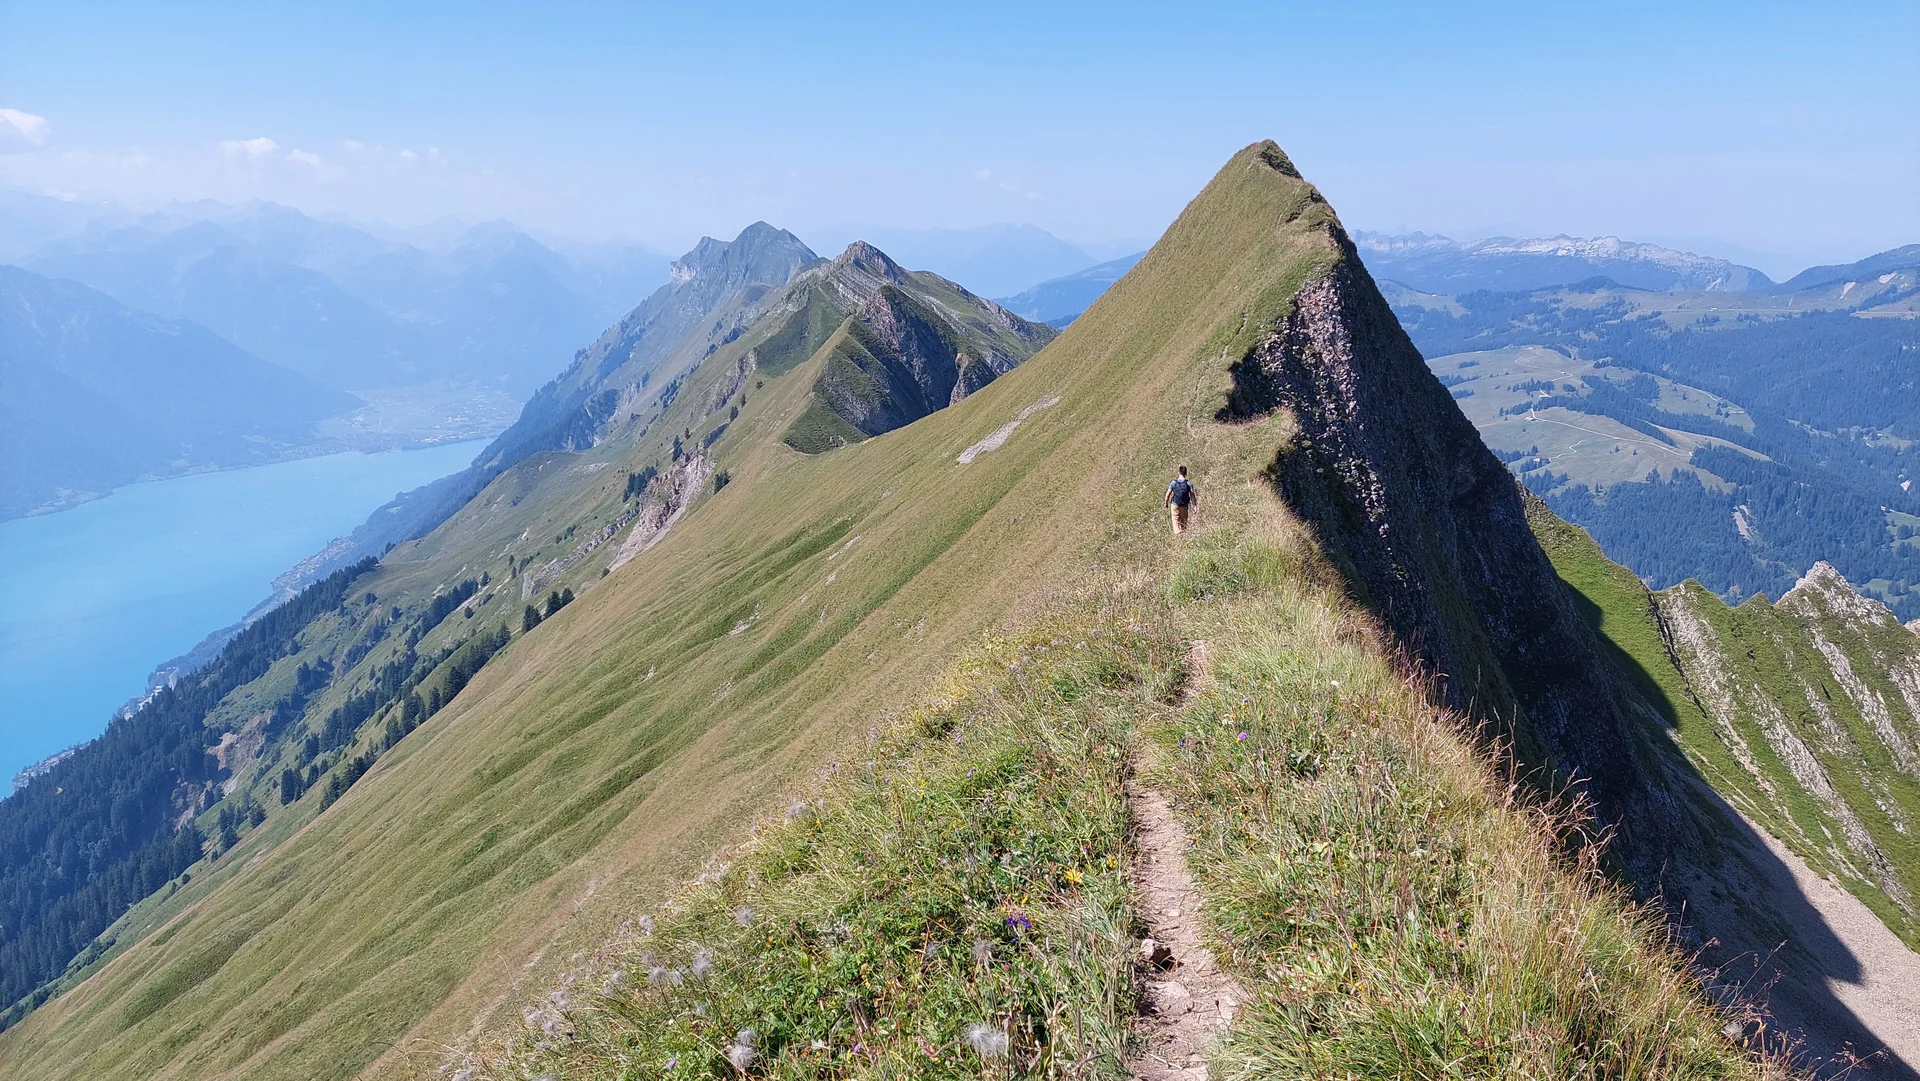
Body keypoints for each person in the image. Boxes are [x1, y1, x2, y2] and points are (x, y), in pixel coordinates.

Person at [1164, 466, 1196, 535]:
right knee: (1184, 521)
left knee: (1176, 520)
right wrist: (1195, 506)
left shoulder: (1173, 483)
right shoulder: (1189, 484)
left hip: (1175, 504)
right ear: (1186, 473)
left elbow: (1168, 494)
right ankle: (1184, 533)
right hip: (1184, 506)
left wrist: (1166, 503)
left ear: (1178, 473)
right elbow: (1192, 496)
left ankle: (1179, 534)